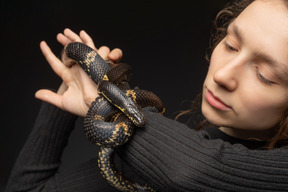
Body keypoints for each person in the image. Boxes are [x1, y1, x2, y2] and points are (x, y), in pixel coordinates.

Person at [5, 0, 288, 191]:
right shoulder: (154, 156)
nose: (222, 75)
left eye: (264, 75)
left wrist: (102, 100)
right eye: (231, 45)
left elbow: (193, 169)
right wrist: (73, 86)